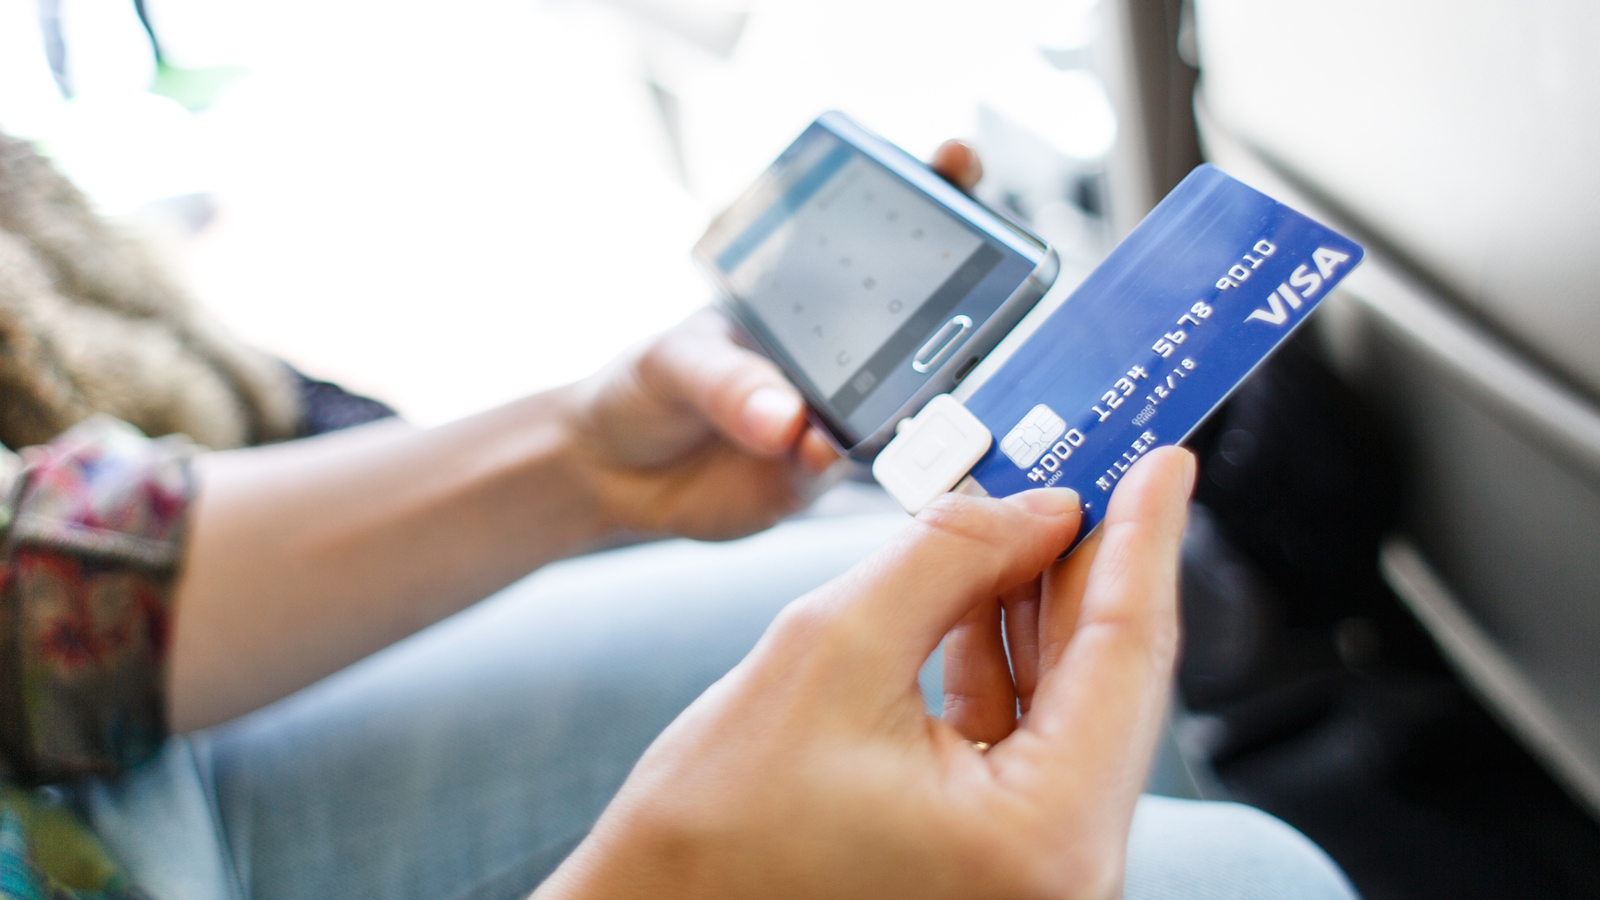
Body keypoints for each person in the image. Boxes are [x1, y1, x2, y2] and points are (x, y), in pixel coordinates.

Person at [0, 143, 1357, 900]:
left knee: (874, 581)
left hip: (99, 771)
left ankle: (1230, 638)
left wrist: (583, 461)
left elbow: (33, 586)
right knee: (1253, 884)